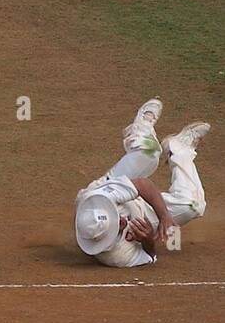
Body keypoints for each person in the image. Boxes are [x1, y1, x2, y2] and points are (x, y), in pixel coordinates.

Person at [75, 98, 210, 267]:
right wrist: (147, 239)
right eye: (118, 227)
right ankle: (179, 149)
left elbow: (142, 184)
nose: (123, 222)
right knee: (194, 206)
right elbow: (150, 256)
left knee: (149, 152)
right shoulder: (116, 256)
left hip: (112, 187)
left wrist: (164, 216)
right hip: (141, 212)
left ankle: (142, 126)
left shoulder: (100, 198)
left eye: (116, 217)